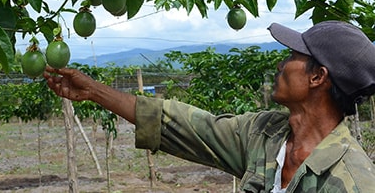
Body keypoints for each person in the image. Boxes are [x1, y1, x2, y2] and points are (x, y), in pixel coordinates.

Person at [44, 20, 375, 192]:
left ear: (318, 77)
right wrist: (94, 91)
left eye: (293, 57)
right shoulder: (266, 134)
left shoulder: (352, 181)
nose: (281, 64)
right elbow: (185, 126)